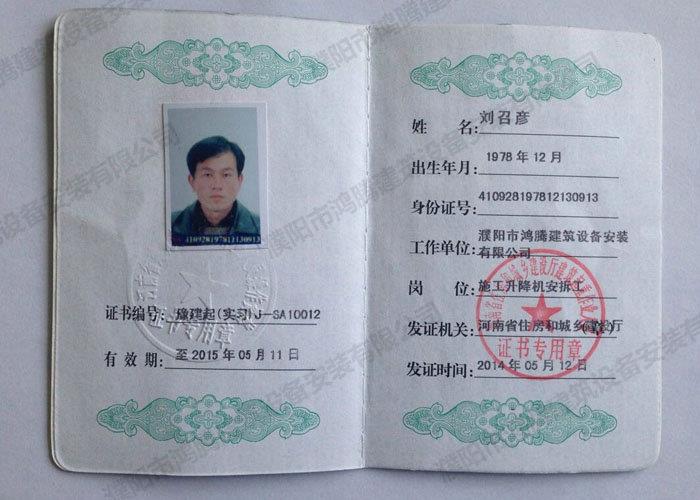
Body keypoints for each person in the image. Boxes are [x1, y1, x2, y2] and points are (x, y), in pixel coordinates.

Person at [171, 135, 260, 245]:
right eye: (208, 175)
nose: (217, 185)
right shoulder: (170, 226)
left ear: (239, 181)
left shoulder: (260, 228)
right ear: (192, 181)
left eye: (226, 175)